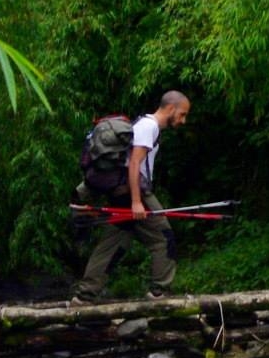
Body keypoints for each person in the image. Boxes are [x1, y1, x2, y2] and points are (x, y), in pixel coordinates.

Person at [73, 90, 190, 301]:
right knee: (163, 238)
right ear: (171, 108)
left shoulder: (142, 124)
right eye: (182, 114)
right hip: (133, 193)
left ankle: (84, 296)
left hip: (121, 192)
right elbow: (134, 164)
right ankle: (159, 294)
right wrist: (137, 202)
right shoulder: (149, 126)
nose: (183, 120)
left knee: (115, 242)